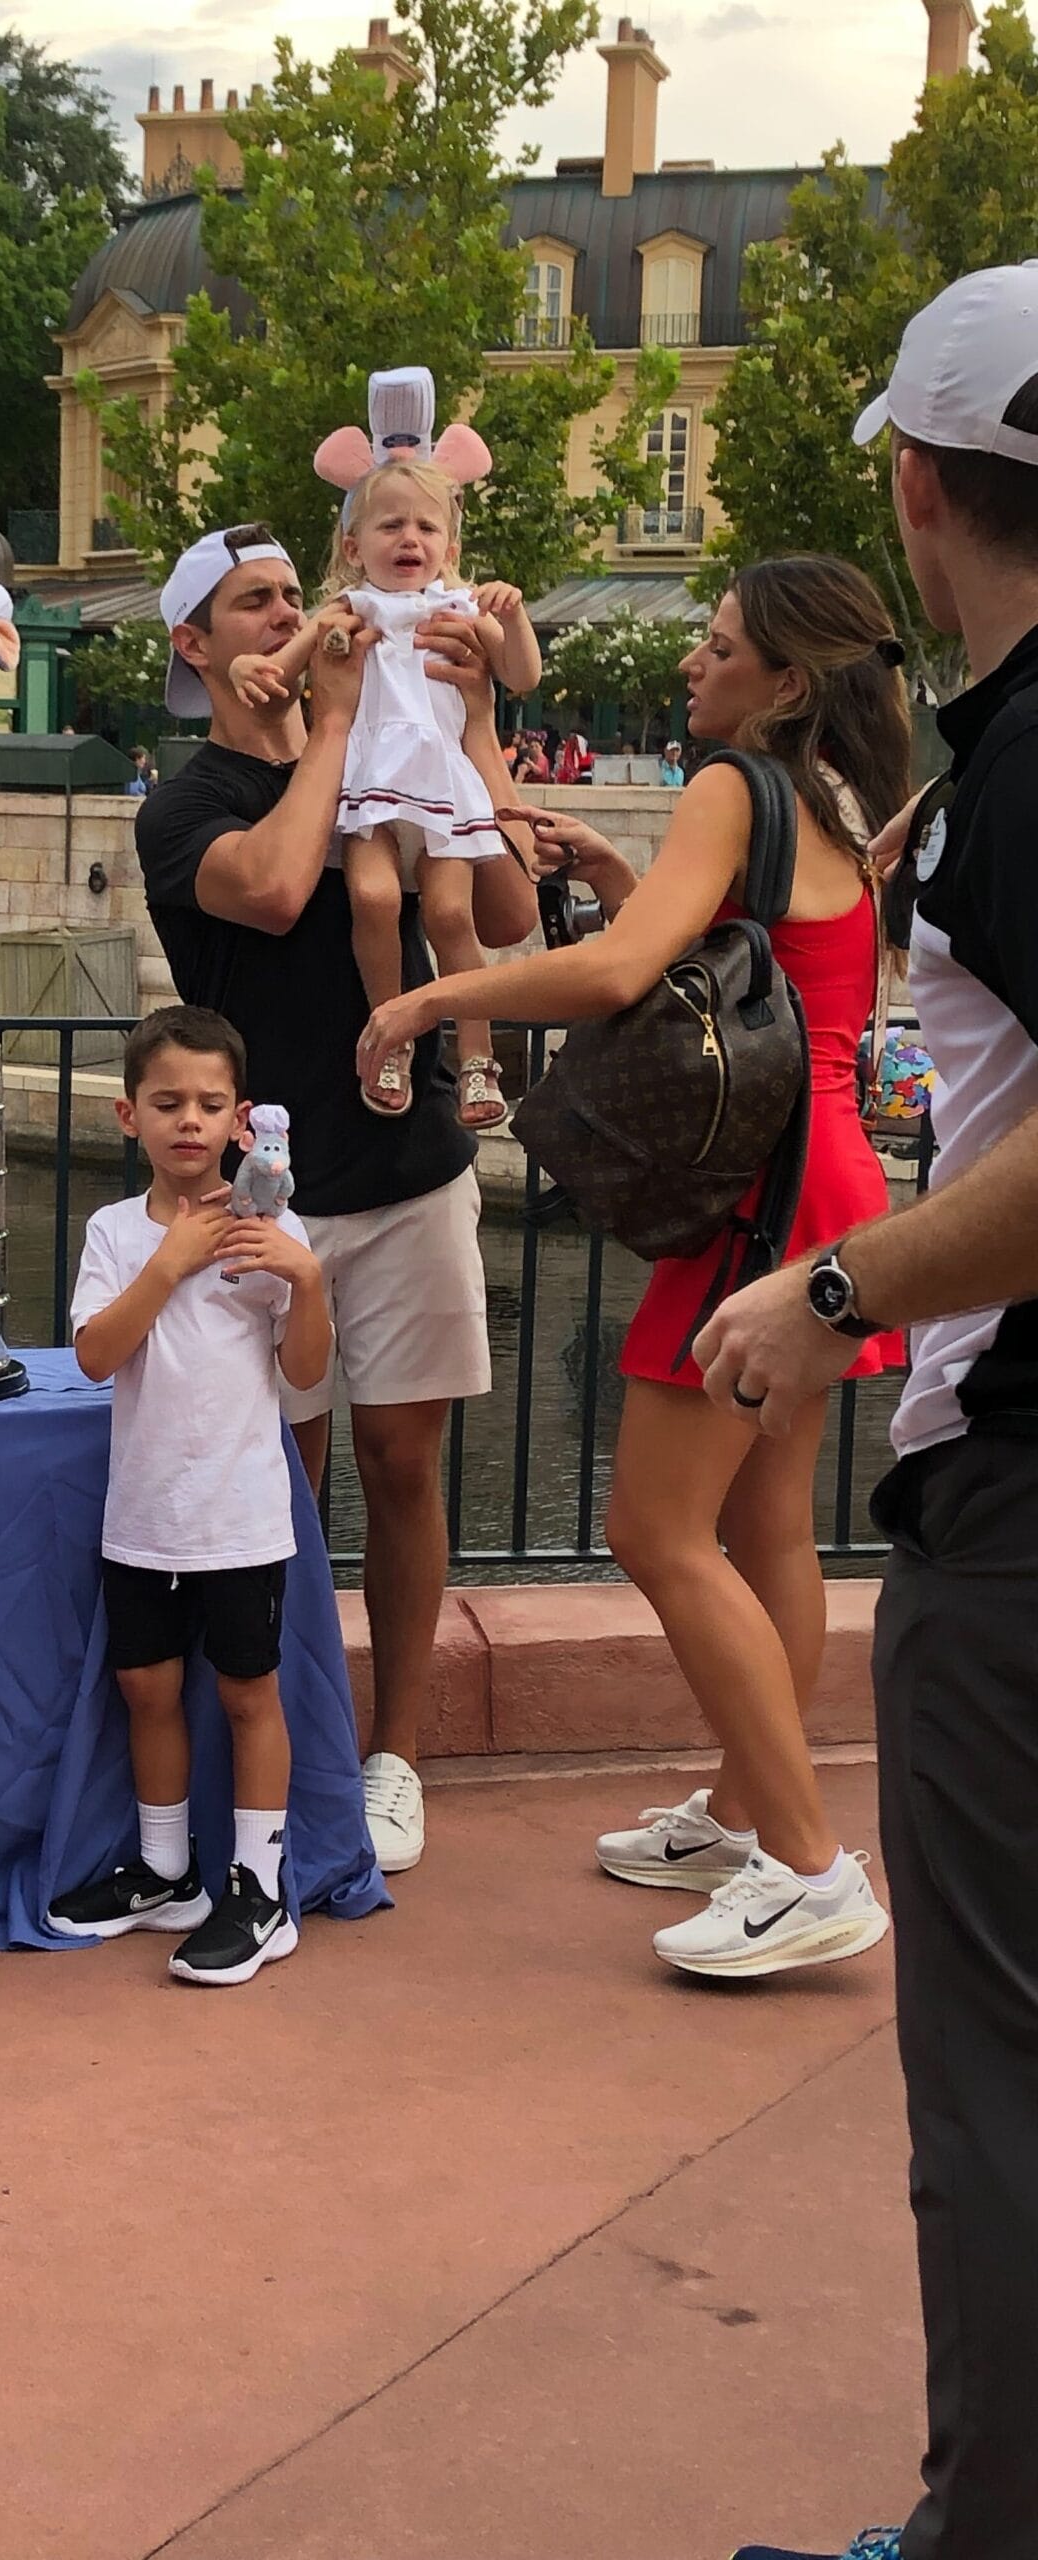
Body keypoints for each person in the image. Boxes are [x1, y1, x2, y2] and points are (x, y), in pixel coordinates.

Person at [694, 266, 1038, 2560]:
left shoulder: (1022, 767)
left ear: (916, 485)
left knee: (995, 2071)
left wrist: (830, 1290)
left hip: (1020, 1502)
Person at [361, 554, 911, 1980]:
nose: (693, 664)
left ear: (783, 682)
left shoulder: (737, 788)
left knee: (655, 1531)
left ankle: (805, 1862)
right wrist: (622, 875)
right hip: (835, 1187)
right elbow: (780, 970)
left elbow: (613, 980)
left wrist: (434, 993)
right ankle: (748, 1813)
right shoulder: (831, 803)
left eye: (718, 647)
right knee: (771, 1526)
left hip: (761, 1204)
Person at [137, 522, 537, 1874]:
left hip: (409, 1171)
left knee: (404, 1467)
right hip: (270, 1201)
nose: (282, 619)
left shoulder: (383, 756)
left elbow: (512, 915)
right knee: (282, 1482)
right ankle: (297, 1736)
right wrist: (335, 727)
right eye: (252, 607)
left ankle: (397, 1753)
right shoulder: (189, 803)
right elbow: (261, 889)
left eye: (290, 598)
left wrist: (471, 719)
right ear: (196, 646)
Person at [47, 1006, 331, 1984]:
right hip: (145, 1514)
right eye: (167, 1103)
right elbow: (93, 1355)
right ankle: (169, 1869)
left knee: (249, 1692)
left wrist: (311, 1281)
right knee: (147, 1688)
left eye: (211, 1104)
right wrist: (166, 1267)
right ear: (130, 1116)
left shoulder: (271, 1227)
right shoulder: (115, 1232)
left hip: (242, 1511)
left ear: (243, 1119)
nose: (189, 1122)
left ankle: (260, 1886)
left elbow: (305, 1372)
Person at [229, 398, 540, 1131]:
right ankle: (391, 1031)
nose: (410, 538)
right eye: (391, 525)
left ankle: (474, 1055)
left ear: (450, 546)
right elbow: (281, 668)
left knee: (450, 913)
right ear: (352, 545)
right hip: (372, 785)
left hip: (439, 782)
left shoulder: (463, 606)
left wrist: (514, 616)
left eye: (427, 527)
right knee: (371, 899)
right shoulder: (351, 610)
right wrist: (250, 663)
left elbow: (522, 674)